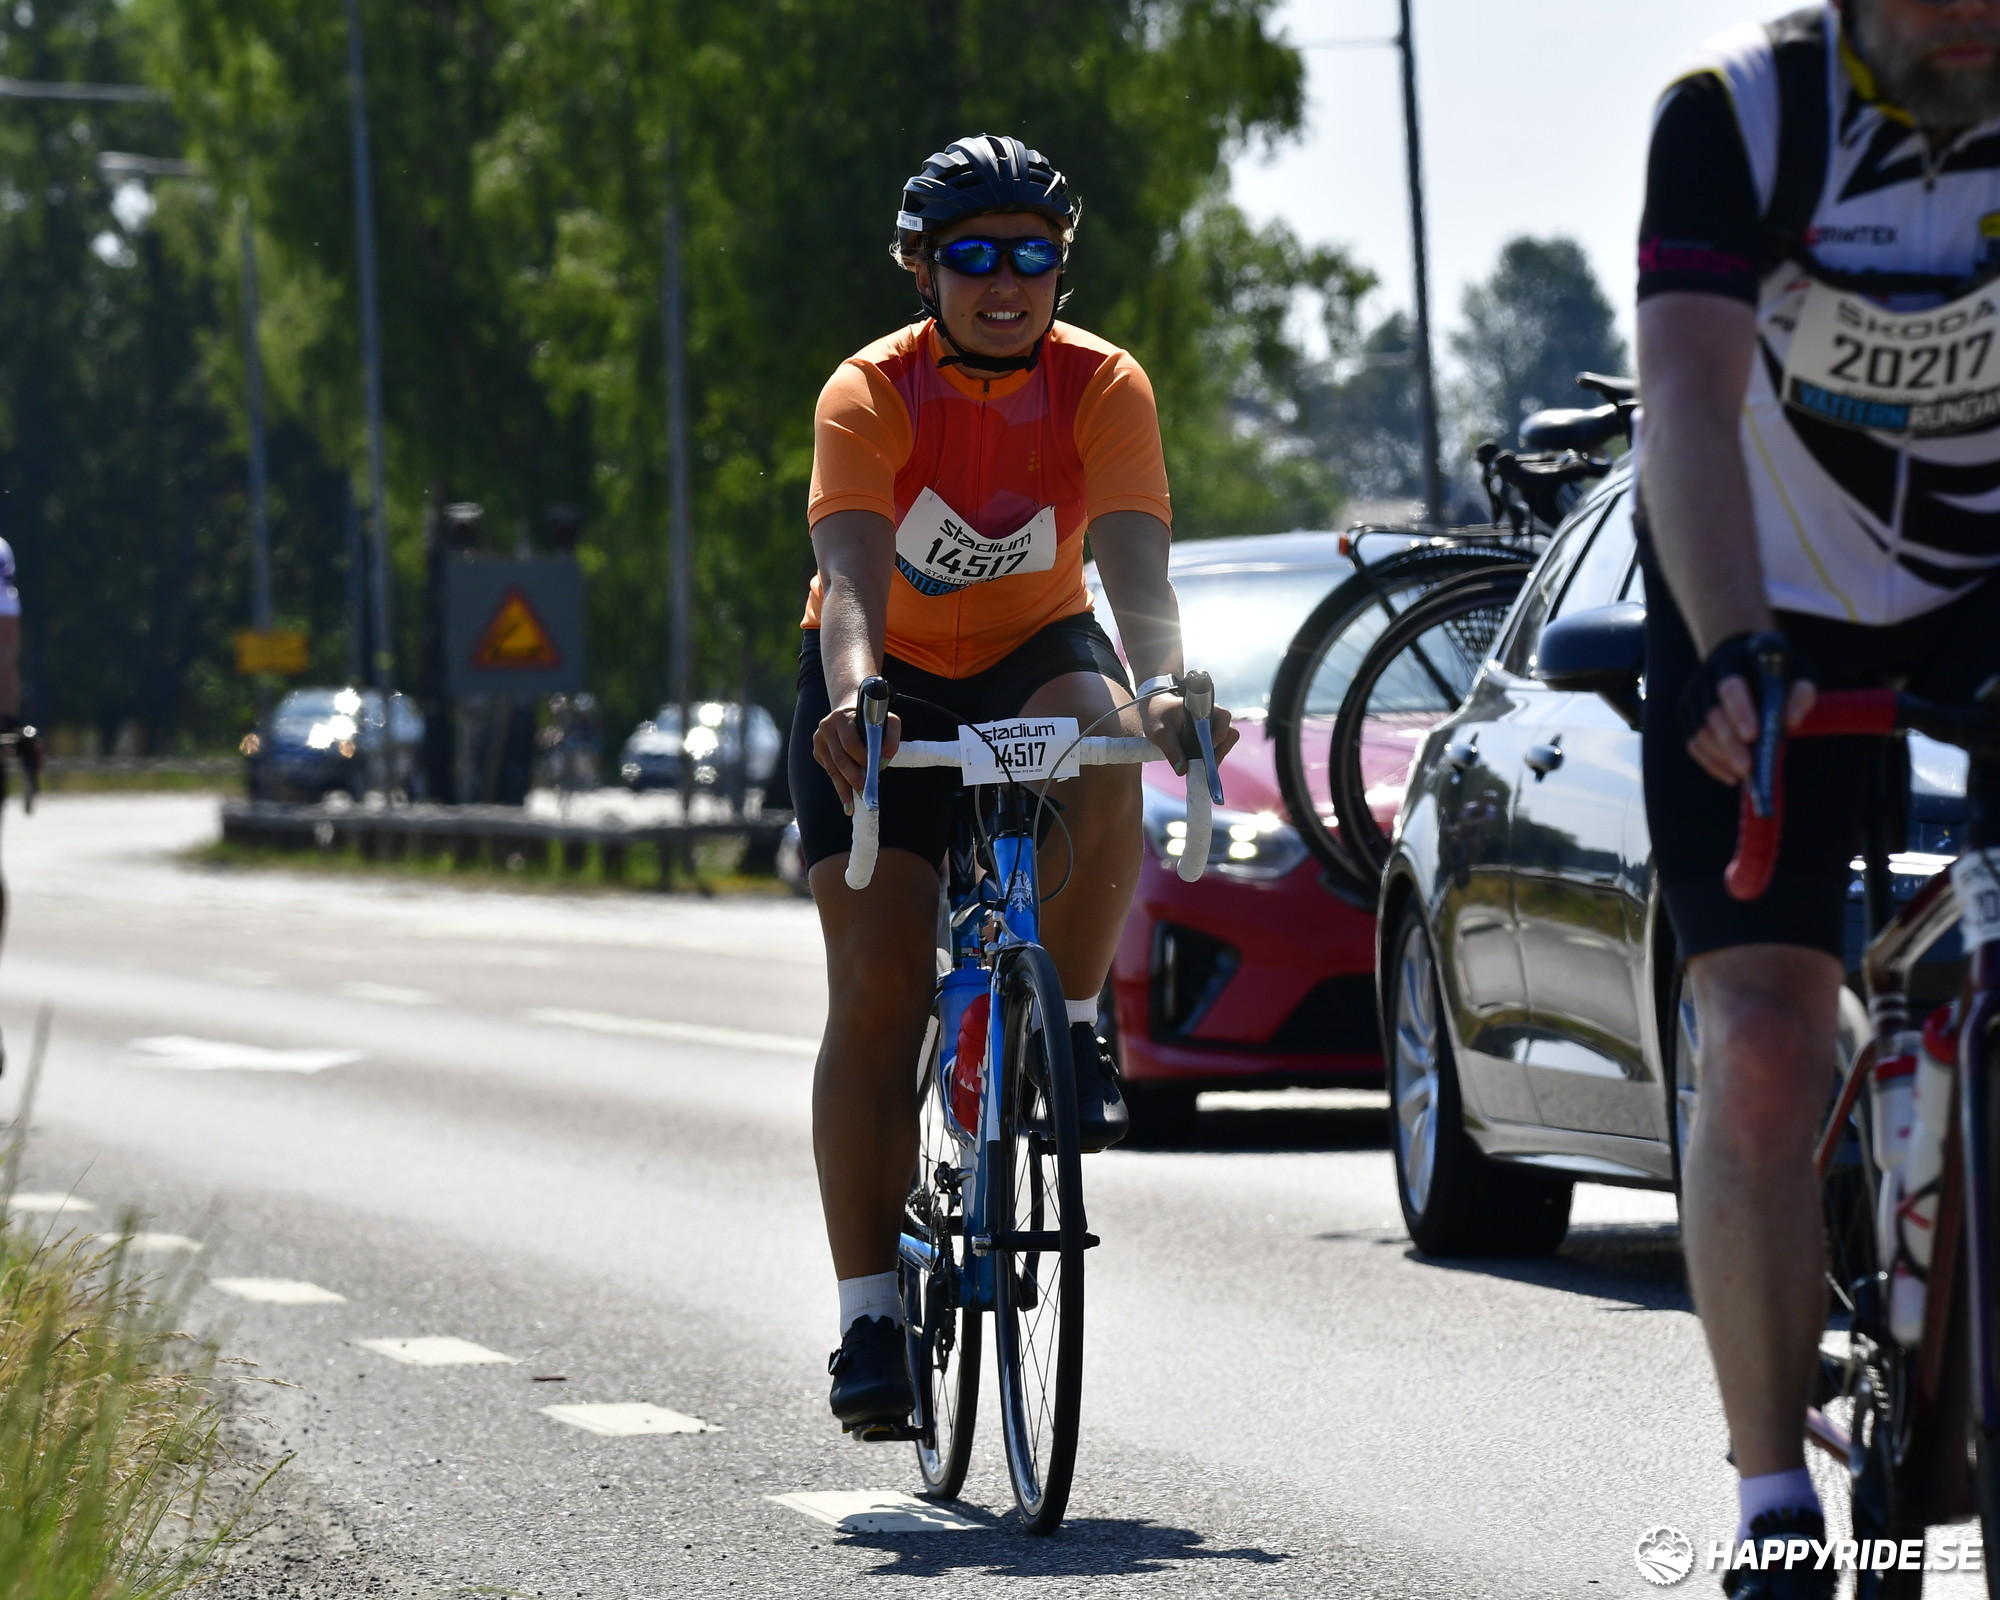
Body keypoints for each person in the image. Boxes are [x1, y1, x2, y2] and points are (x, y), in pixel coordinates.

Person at [791, 133, 1237, 1433]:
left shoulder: (1103, 384)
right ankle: (870, 1319)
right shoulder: (869, 391)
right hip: (886, 681)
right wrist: (856, 699)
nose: (1006, 283)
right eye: (974, 256)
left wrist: (1166, 685)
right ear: (923, 270)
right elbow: (853, 587)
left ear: (1060, 269)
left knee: (1103, 739)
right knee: (879, 989)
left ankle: (1073, 1024)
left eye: (1033, 256)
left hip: (1036, 654)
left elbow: (1138, 579)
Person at [1637, 1, 2000, 1591]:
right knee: (1770, 1044)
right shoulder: (1742, 116)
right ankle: (1774, 1490)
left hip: (1979, 588)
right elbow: (1685, 403)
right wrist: (1731, 648)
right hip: (1767, 589)